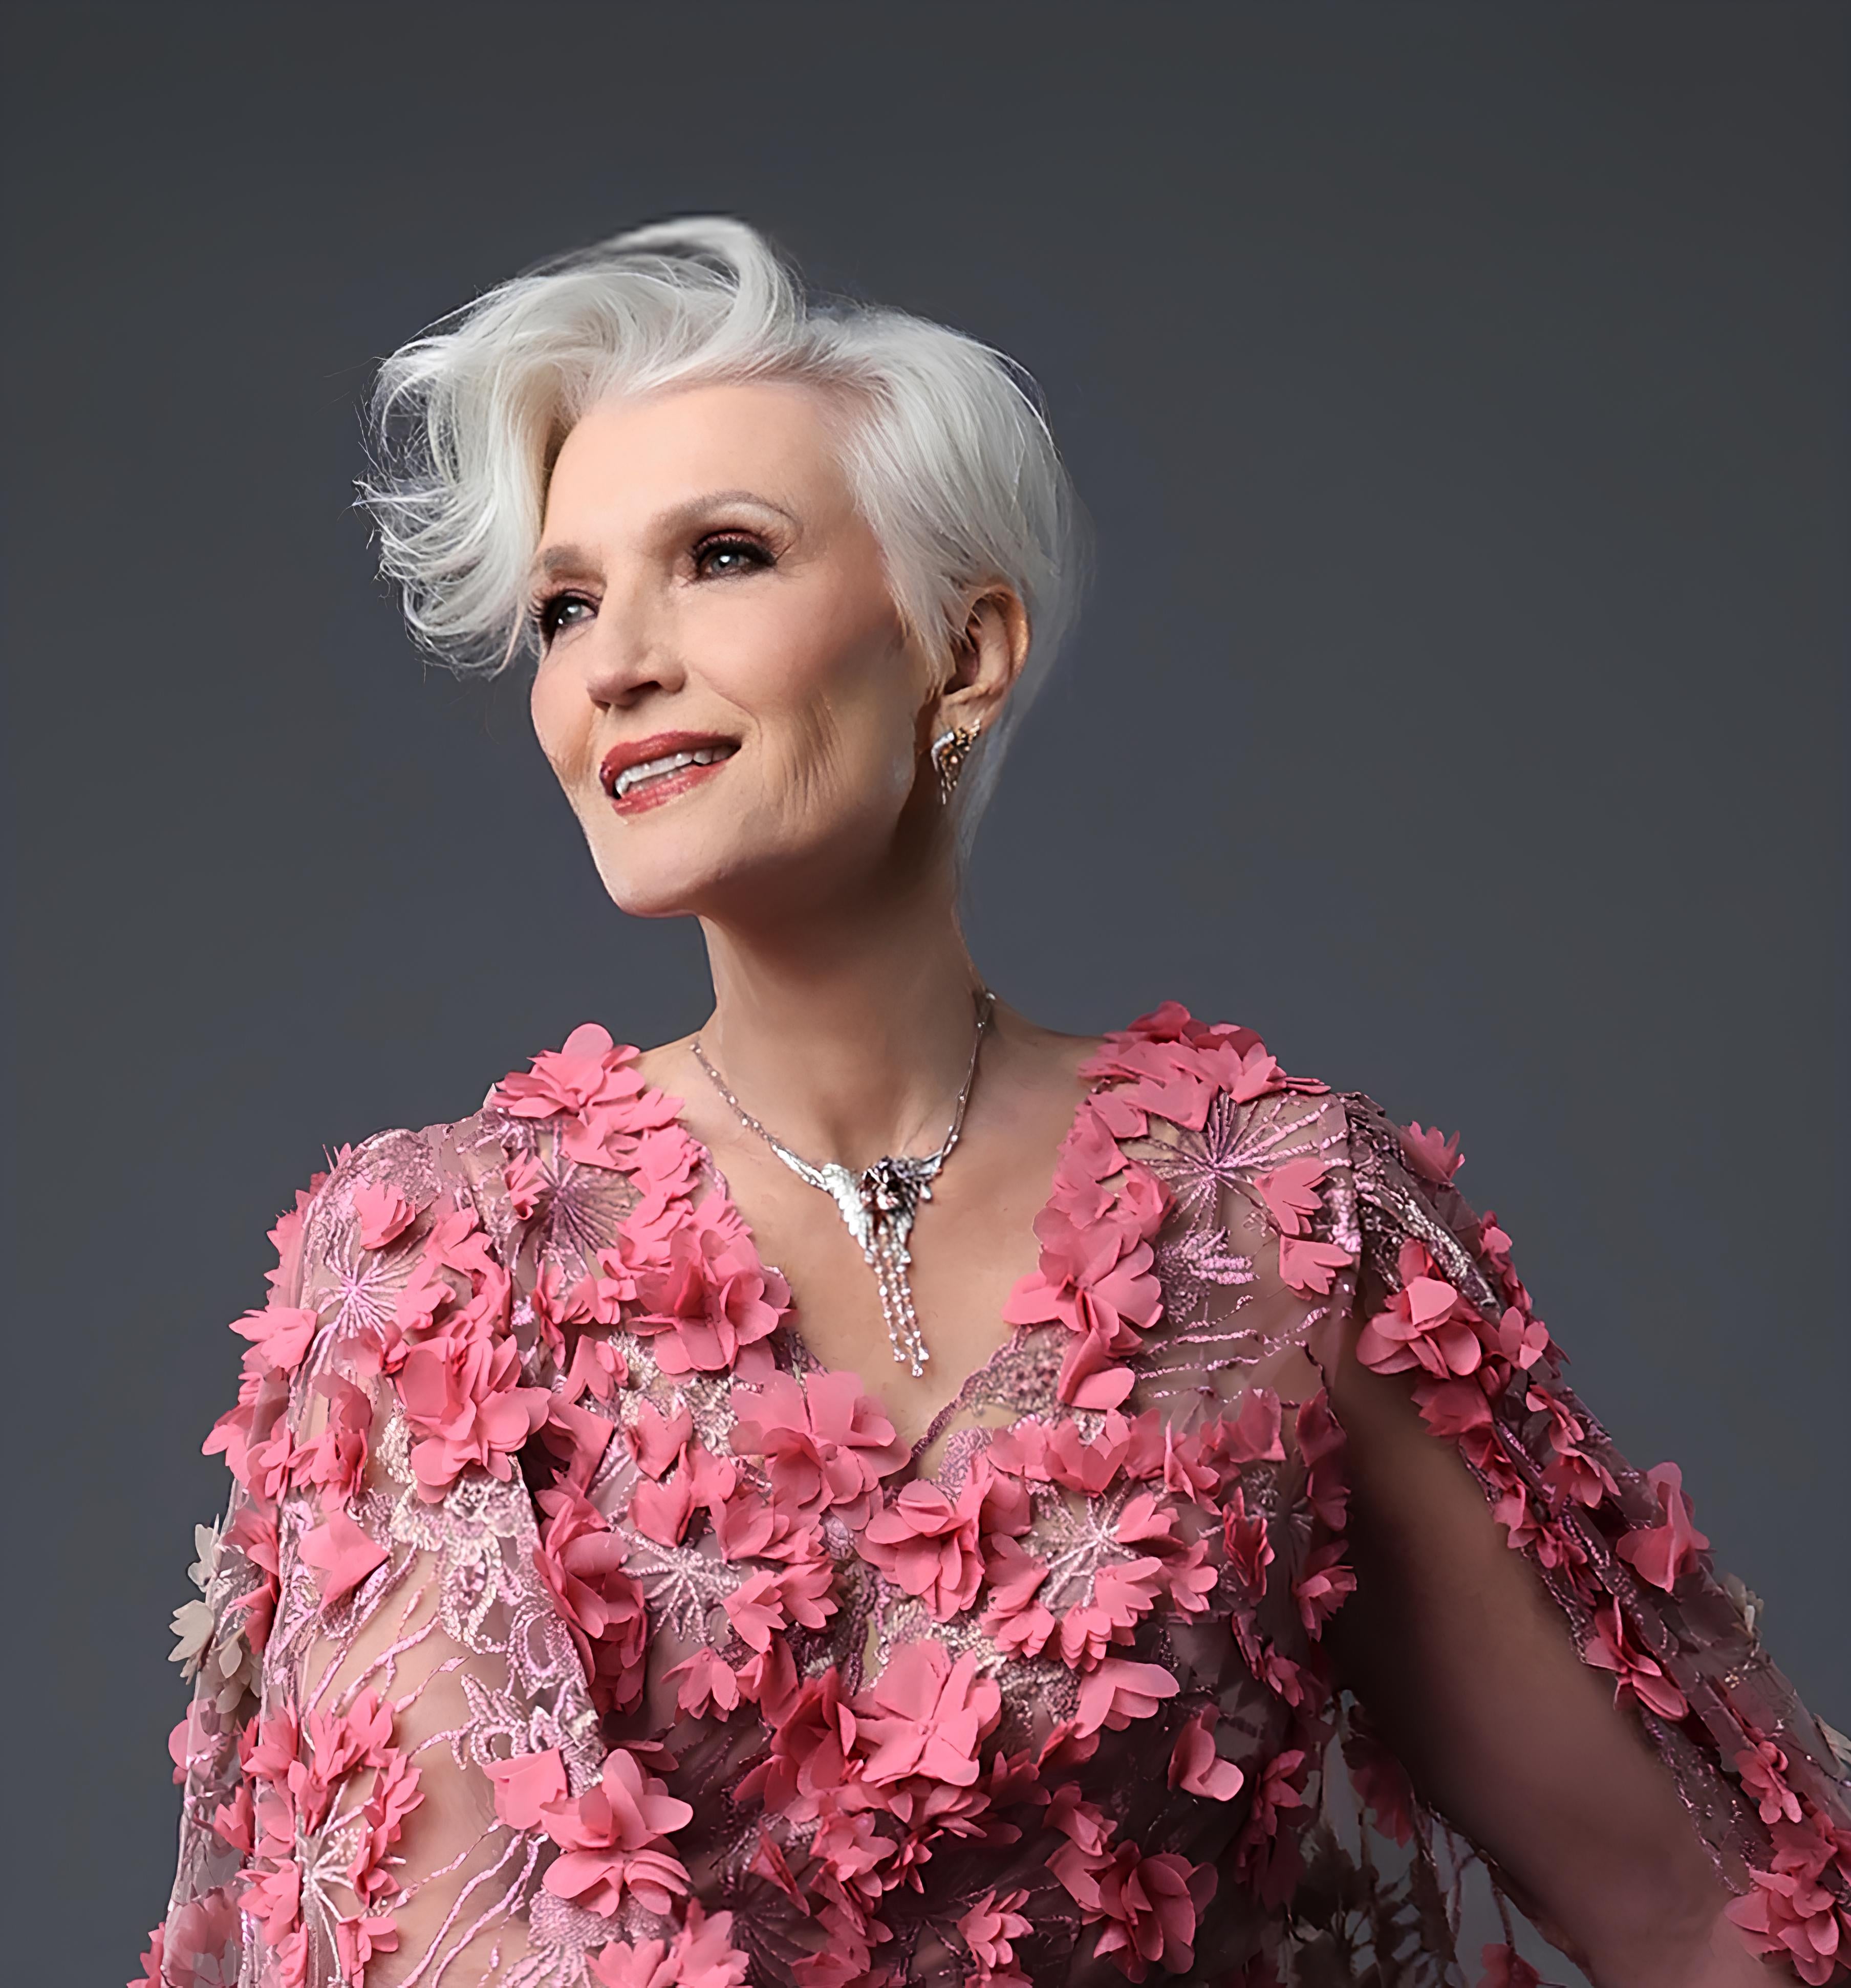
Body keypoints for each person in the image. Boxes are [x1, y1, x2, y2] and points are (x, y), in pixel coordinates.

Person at [138, 219, 1848, 1988]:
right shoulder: (438, 1269)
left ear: (963, 652)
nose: (613, 662)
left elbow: (1698, 1908)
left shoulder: (1281, 1220)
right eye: (567, 606)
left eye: (721, 556)